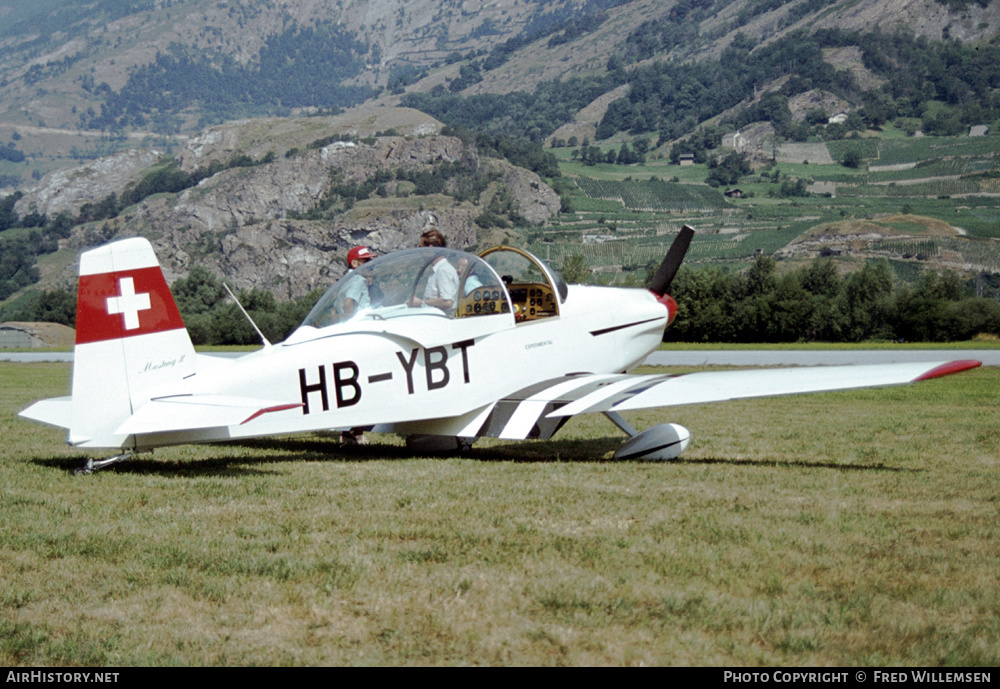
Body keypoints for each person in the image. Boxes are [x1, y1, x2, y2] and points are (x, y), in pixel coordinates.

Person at [411, 229, 459, 312]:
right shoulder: (437, 270)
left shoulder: (443, 270)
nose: (420, 252)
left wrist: (421, 302)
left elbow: (447, 301)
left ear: (430, 248)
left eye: (421, 248)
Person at [338, 245, 374, 319]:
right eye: (366, 261)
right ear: (354, 263)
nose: (371, 264)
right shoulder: (358, 280)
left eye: (370, 261)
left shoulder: (346, 280)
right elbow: (347, 303)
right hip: (363, 322)